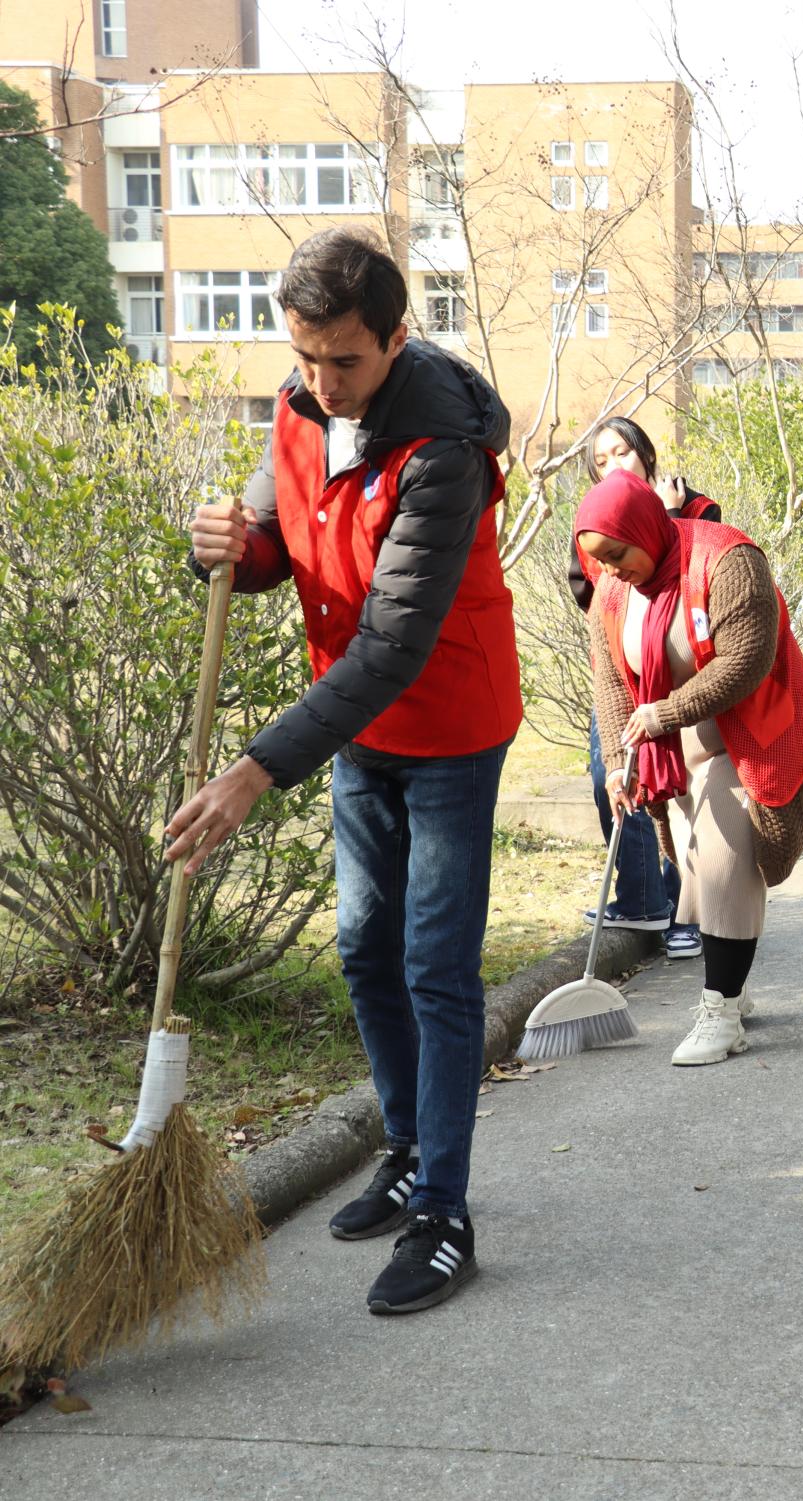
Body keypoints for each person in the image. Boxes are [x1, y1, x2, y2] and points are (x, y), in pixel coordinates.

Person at [169, 227, 520, 1316]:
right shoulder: (299, 407)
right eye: (306, 357)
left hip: (449, 724)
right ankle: (407, 1148)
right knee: (365, 947)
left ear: (396, 339)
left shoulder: (441, 449)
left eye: (345, 361)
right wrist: (226, 546)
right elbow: (277, 542)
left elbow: (395, 643)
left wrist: (252, 772)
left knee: (435, 967)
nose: (322, 383)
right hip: (358, 731)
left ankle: (445, 1214)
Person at [573, 470, 803, 1066]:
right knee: (696, 866)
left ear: (646, 528)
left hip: (752, 734)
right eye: (599, 560)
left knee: (724, 858)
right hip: (677, 747)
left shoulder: (728, 560)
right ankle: (733, 986)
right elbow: (611, 683)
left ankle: (721, 1012)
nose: (610, 569)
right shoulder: (612, 592)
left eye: (618, 554)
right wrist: (618, 764)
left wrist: (665, 712)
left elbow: (747, 659)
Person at [567, 416, 720, 962]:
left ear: (647, 455)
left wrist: (670, 518)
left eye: (621, 452)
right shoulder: (593, 522)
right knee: (612, 779)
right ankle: (641, 900)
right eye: (600, 461)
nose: (613, 466)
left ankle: (689, 913)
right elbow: (589, 592)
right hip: (621, 670)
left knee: (686, 791)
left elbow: (696, 576)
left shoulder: (695, 508)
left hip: (681, 679)